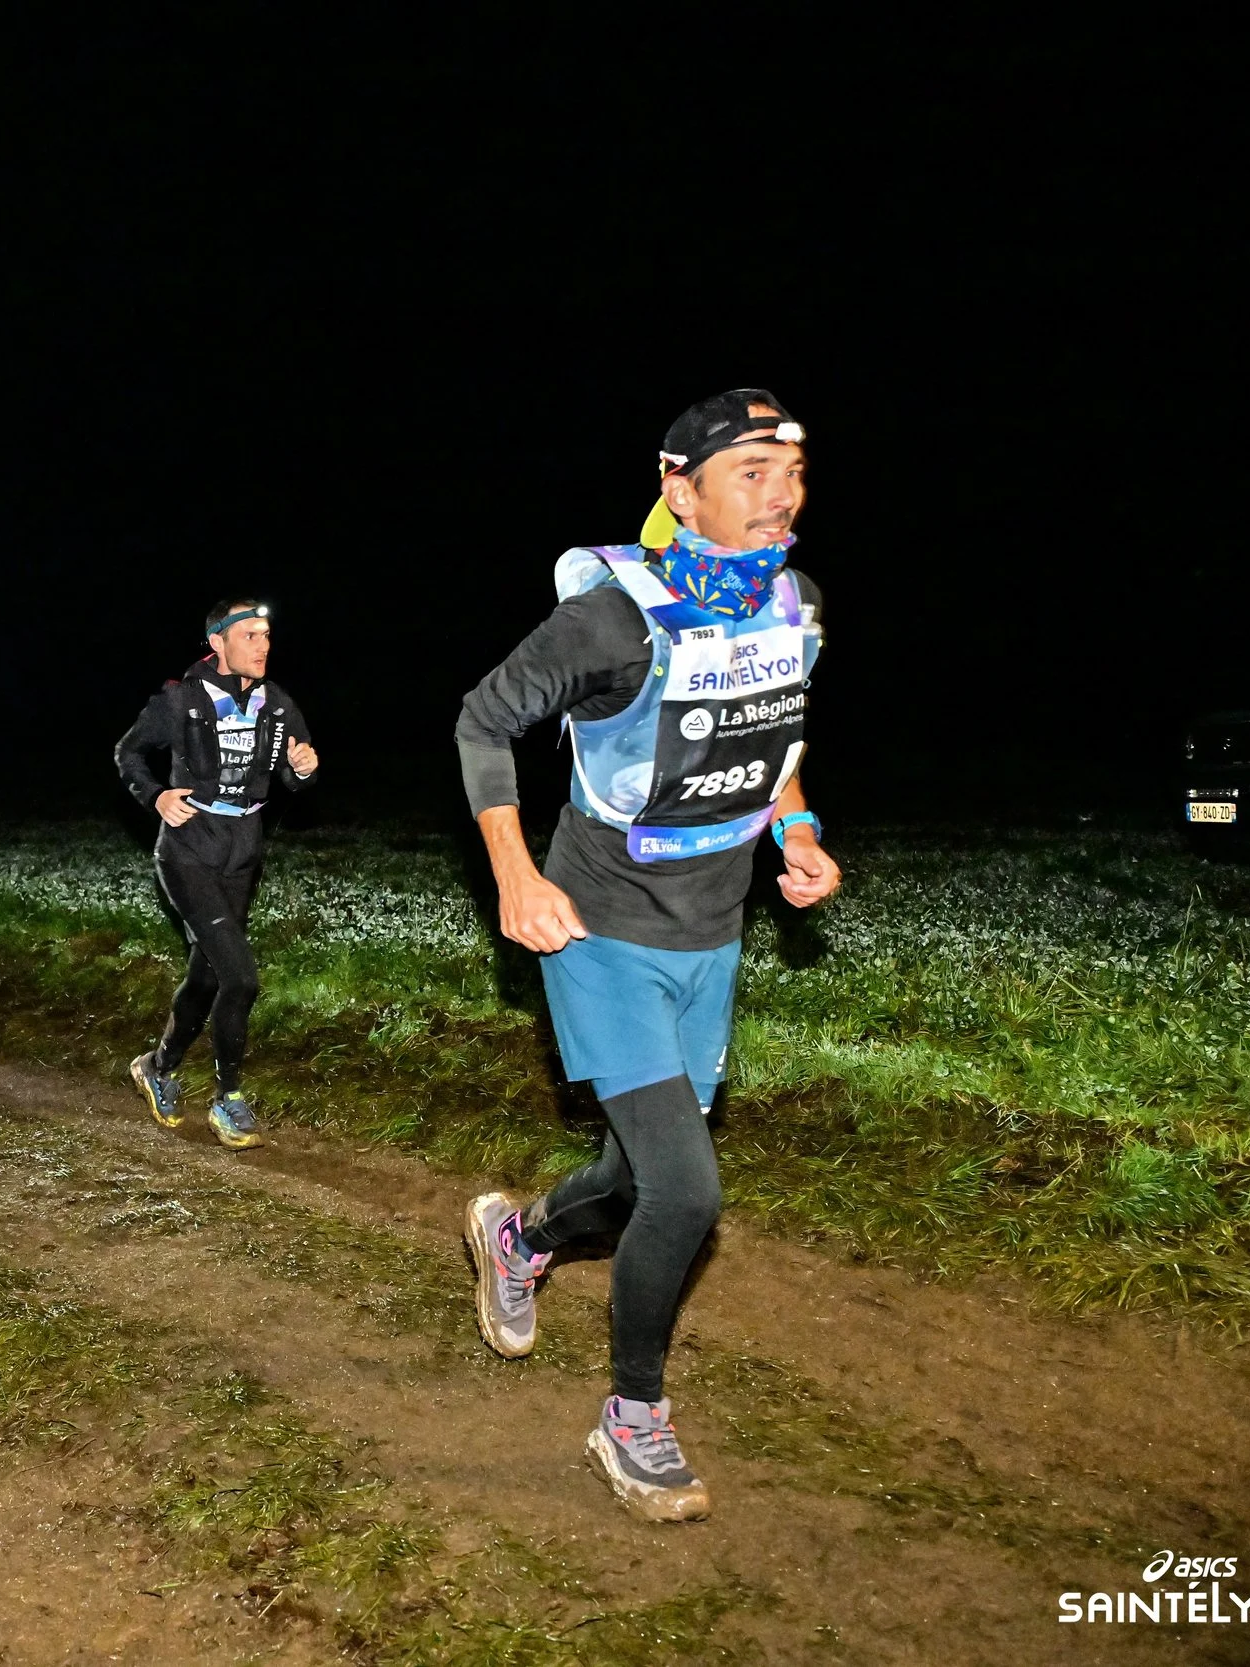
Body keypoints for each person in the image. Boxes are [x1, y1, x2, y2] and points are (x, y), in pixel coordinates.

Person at [453, 389, 841, 1525]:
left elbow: (769, 741)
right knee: (686, 1186)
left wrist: (797, 830)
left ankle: (517, 1236)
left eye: (792, 475)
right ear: (682, 489)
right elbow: (481, 722)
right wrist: (518, 878)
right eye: (752, 475)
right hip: (600, 928)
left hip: (712, 932)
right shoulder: (611, 620)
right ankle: (632, 1418)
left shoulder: (794, 602)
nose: (782, 499)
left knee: (635, 1178)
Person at [113, 600, 319, 1151]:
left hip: (242, 852)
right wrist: (155, 795)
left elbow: (294, 770)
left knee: (207, 977)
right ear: (218, 643)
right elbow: (128, 753)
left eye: (267, 635)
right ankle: (228, 1099)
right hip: (187, 851)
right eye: (250, 635)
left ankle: (158, 1067)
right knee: (241, 977)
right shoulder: (180, 699)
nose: (263, 645)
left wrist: (304, 769)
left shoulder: (278, 704)